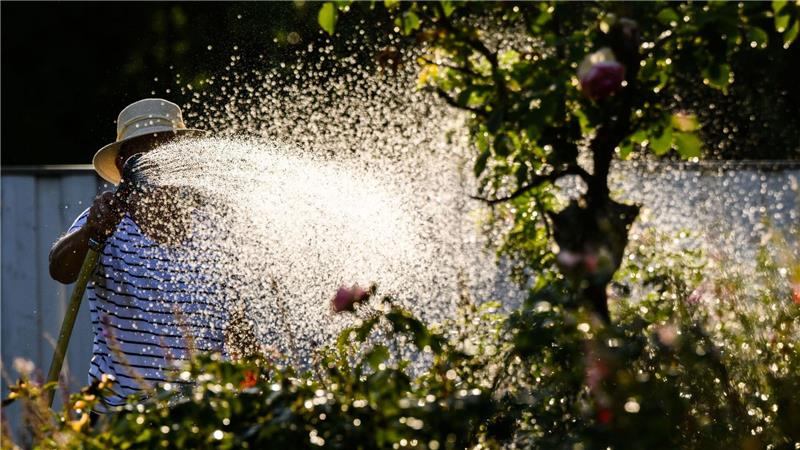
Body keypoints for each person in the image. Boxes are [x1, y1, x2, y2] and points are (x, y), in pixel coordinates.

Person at [48, 98, 228, 412]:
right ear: (122, 165)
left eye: (165, 149)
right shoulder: (105, 221)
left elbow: (236, 324)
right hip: (124, 414)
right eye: (143, 153)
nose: (155, 162)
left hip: (203, 414)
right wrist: (91, 230)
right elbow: (60, 269)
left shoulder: (212, 229)